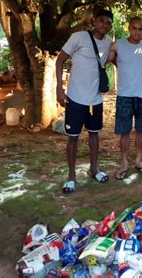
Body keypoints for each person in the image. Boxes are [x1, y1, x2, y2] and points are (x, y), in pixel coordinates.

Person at [56, 10, 113, 194]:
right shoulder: (78, 37)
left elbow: (119, 58)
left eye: (109, 23)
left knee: (94, 135)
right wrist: (59, 88)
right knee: (73, 138)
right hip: (75, 98)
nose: (105, 25)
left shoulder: (109, 43)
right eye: (102, 20)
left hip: (95, 99)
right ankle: (71, 177)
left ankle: (94, 169)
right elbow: (60, 60)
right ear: (94, 20)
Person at [107, 16, 142, 180]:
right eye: (134, 28)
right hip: (124, 96)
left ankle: (138, 161)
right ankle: (124, 163)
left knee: (141, 131)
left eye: (141, 29)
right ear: (129, 28)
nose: (137, 32)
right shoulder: (118, 44)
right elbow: (108, 59)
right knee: (124, 133)